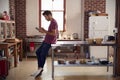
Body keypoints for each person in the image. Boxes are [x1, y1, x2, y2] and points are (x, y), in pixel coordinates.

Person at [31, 10, 58, 78]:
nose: (45, 18)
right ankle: (40, 68)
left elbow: (54, 34)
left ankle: (40, 69)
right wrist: (43, 31)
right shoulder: (52, 22)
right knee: (38, 52)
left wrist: (44, 31)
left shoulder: (53, 22)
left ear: (49, 15)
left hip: (49, 42)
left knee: (43, 54)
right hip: (46, 40)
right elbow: (50, 32)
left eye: (45, 17)